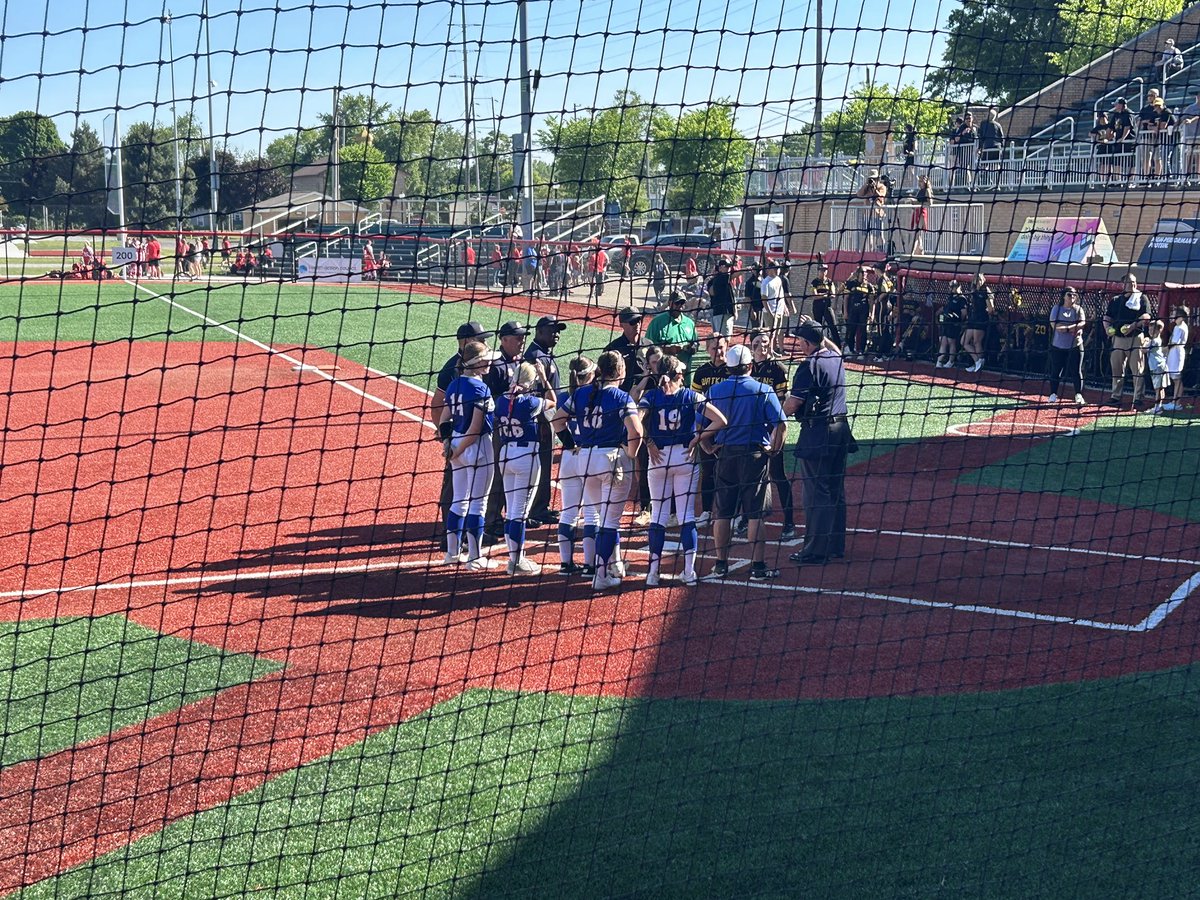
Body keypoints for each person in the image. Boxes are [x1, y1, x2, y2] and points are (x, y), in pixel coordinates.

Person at [553, 351, 644, 591]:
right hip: (611, 460)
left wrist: (571, 443)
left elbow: (557, 421)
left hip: (585, 460)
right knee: (609, 522)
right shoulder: (621, 397)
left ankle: (612, 565)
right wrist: (632, 454)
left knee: (602, 518)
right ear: (620, 372)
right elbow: (636, 431)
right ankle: (601, 575)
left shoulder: (581, 393)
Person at [638, 355, 727, 586]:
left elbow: (636, 424)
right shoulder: (690, 395)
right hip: (684, 457)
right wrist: (697, 438)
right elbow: (721, 420)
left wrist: (648, 443)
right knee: (687, 516)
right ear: (678, 374)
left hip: (658, 458)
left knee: (658, 516)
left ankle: (653, 573)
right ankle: (688, 573)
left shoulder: (651, 396)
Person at [701, 344, 787, 581]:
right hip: (754, 457)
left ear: (728, 367)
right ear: (750, 365)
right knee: (756, 514)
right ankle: (758, 568)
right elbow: (782, 424)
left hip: (726, 456)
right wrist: (775, 449)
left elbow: (699, 425)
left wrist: (707, 447)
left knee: (723, 513)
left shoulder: (715, 391)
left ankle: (720, 565)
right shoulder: (763, 390)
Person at [784, 321, 851, 565]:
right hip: (841, 430)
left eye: (800, 342)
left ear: (807, 343)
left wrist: (774, 413)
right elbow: (834, 348)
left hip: (818, 433)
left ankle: (815, 550)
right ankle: (834, 545)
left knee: (816, 493)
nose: (799, 346)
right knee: (835, 490)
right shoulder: (836, 358)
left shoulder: (808, 366)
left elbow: (793, 405)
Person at [433, 321, 493, 546]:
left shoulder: (456, 383)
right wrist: (454, 446)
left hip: (457, 443)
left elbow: (444, 417)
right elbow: (476, 428)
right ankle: (473, 553)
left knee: (460, 500)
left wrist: (449, 443)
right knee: (476, 502)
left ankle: (453, 549)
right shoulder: (478, 387)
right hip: (474, 446)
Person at [495, 361, 556, 573]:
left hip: (505, 454)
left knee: (511, 510)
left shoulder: (500, 400)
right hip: (525, 456)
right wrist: (544, 378)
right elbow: (553, 401)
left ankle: (514, 559)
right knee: (519, 513)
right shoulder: (530, 402)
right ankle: (517, 561)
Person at [606, 307, 652, 526]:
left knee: (642, 459)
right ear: (622, 324)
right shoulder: (613, 350)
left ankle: (645, 507)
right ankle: (608, 502)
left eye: (639, 321)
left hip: (643, 411)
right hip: (619, 412)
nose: (637, 325)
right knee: (616, 460)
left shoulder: (649, 347)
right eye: (632, 322)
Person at [554, 356, 598, 575]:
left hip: (569, 457)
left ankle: (565, 564)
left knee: (568, 513)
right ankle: (590, 566)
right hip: (588, 455)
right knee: (592, 514)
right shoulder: (594, 395)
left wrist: (569, 444)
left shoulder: (564, 396)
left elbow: (556, 422)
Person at [750, 331, 795, 539]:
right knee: (750, 475)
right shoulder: (747, 368)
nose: (762, 346)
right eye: (757, 343)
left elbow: (782, 401)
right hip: (752, 430)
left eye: (765, 342)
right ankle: (747, 517)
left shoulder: (778, 368)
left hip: (772, 429)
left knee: (777, 474)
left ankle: (789, 521)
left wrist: (775, 428)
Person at [523, 316, 567, 527]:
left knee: (545, 463)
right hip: (539, 416)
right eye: (552, 331)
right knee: (537, 464)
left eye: (558, 331)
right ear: (539, 332)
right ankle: (533, 509)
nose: (556, 334)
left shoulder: (544, 354)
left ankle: (541, 507)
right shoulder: (534, 357)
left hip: (549, 415)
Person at [1103, 273, 1152, 407]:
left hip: (1136, 338)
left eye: (1135, 282)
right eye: (1130, 282)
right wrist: (1107, 329)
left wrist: (1133, 326)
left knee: (1138, 369)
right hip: (1118, 339)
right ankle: (1116, 395)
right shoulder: (1116, 300)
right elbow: (1107, 317)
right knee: (1116, 369)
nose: (1134, 285)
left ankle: (1138, 397)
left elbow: (1147, 316)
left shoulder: (1142, 298)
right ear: (1123, 285)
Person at [1046, 287, 1087, 405]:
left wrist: (1069, 328)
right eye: (1069, 294)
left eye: (1074, 295)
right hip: (1058, 346)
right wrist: (1072, 328)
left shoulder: (1079, 310)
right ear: (1064, 296)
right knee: (1055, 371)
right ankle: (1053, 394)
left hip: (1075, 345)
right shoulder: (1057, 309)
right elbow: (1056, 327)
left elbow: (1082, 323)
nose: (1072, 297)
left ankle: (1078, 395)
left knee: (1076, 371)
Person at [645, 289, 700, 374]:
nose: (680, 306)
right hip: (664, 373)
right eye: (677, 303)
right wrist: (668, 349)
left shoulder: (689, 323)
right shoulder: (657, 322)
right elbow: (647, 346)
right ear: (670, 303)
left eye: (682, 303)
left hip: (685, 373)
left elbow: (696, 345)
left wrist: (690, 348)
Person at [963, 273, 994, 373]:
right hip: (972, 319)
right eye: (976, 280)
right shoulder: (973, 291)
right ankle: (977, 361)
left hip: (981, 319)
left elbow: (991, 309)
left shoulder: (986, 291)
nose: (978, 282)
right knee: (964, 342)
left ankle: (980, 362)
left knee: (977, 341)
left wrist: (987, 310)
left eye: (980, 279)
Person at [842, 265, 874, 360]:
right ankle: (850, 349)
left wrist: (872, 314)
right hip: (853, 310)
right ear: (858, 273)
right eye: (862, 272)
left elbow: (871, 301)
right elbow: (846, 298)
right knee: (851, 330)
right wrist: (845, 312)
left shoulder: (869, 286)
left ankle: (861, 351)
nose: (864, 275)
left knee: (863, 331)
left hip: (863, 311)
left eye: (865, 273)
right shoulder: (851, 284)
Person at [1164, 306, 1190, 410]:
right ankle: (1174, 401)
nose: (1174, 318)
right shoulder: (1177, 327)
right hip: (1173, 353)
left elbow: (1174, 343)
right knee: (1175, 378)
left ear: (1182, 317)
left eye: (1176, 316)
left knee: (1177, 379)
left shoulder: (1180, 327)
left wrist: (1165, 349)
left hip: (1177, 353)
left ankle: (1177, 403)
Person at [936, 281, 967, 368]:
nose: (951, 288)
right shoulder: (950, 297)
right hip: (946, 323)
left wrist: (959, 321)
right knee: (943, 342)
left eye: (953, 286)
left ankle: (951, 361)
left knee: (951, 342)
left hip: (953, 324)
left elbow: (964, 313)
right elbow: (945, 308)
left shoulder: (962, 299)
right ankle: (939, 361)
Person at [810, 261, 842, 346]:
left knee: (833, 326)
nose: (823, 272)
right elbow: (814, 296)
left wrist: (821, 295)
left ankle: (838, 345)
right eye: (821, 270)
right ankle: (817, 345)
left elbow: (833, 294)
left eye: (825, 270)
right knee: (818, 327)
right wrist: (825, 295)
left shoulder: (829, 282)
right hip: (817, 306)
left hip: (827, 306)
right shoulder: (815, 282)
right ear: (818, 271)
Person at [855, 170, 888, 252]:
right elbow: (859, 194)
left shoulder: (882, 187)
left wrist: (874, 188)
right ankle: (870, 252)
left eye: (874, 179)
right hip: (867, 215)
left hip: (877, 215)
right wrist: (866, 185)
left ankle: (882, 252)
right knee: (868, 236)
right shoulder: (867, 188)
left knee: (879, 235)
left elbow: (881, 196)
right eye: (870, 179)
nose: (872, 181)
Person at [707, 258, 737, 337]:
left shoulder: (724, 280)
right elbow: (712, 293)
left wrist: (735, 310)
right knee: (723, 337)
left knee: (721, 336)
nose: (728, 269)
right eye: (726, 267)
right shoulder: (718, 279)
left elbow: (732, 297)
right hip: (719, 311)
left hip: (723, 312)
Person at [1147, 321, 1172, 414]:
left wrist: (1143, 341)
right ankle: (1159, 406)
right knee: (1159, 387)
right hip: (1156, 366)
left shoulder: (1155, 341)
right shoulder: (1153, 340)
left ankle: (1157, 407)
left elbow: (1144, 349)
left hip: (1158, 367)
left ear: (1159, 331)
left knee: (1158, 388)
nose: (1150, 331)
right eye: (1149, 329)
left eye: (1153, 330)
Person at [912, 174, 933, 256]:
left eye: (921, 181)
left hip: (922, 212)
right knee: (917, 233)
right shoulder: (920, 191)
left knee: (917, 232)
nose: (919, 183)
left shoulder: (927, 190)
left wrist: (918, 203)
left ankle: (912, 252)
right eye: (919, 181)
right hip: (917, 210)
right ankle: (920, 251)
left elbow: (930, 203)